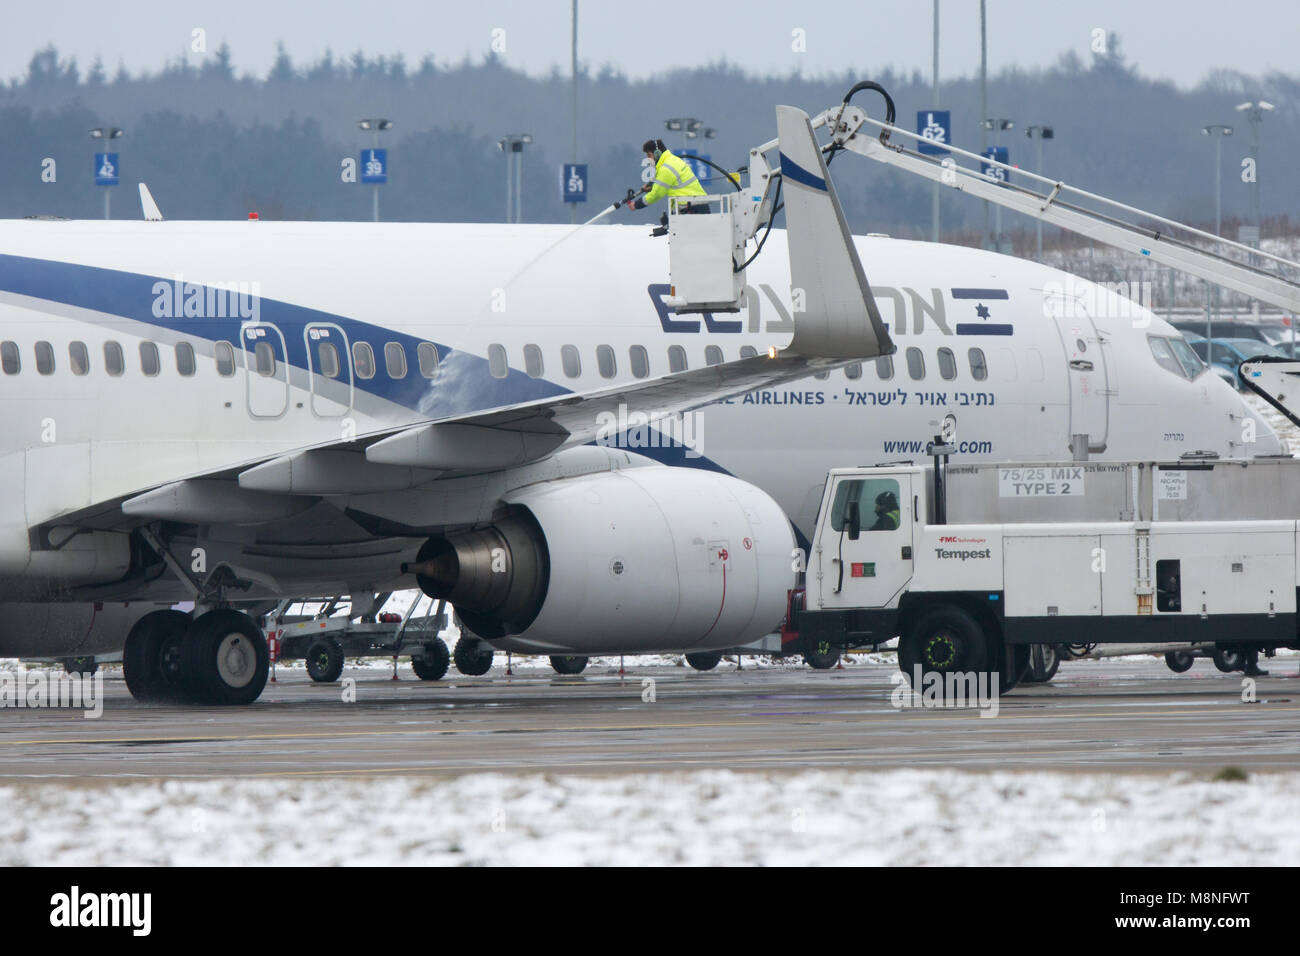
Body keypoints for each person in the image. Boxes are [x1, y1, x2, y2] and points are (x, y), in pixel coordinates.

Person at [625, 139, 708, 214]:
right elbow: (669, 183)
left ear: (657, 154)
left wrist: (636, 204)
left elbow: (656, 194)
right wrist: (652, 187)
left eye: (649, 155)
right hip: (699, 205)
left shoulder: (666, 168)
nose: (648, 160)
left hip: (690, 208)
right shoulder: (673, 160)